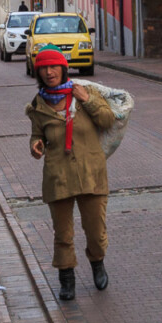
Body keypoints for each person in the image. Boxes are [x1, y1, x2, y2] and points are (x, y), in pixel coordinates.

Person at [26, 47, 114, 301]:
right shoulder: (37, 105)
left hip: (91, 173)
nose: (49, 72)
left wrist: (88, 99)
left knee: (96, 231)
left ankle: (97, 263)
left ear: (64, 69)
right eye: (43, 68)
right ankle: (67, 278)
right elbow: (36, 134)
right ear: (38, 72)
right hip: (59, 176)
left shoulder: (84, 94)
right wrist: (35, 145)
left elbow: (108, 120)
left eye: (53, 67)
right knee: (63, 234)